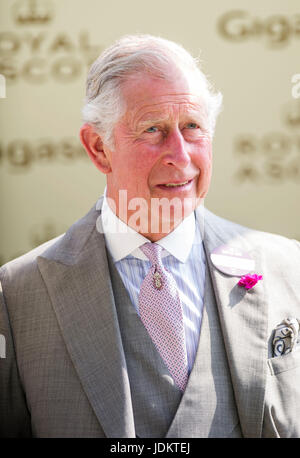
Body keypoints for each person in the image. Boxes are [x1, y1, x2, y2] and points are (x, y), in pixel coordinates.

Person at [0, 34, 300, 439]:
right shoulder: (18, 296)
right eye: (153, 129)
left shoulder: (287, 269)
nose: (180, 154)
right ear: (98, 148)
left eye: (192, 126)